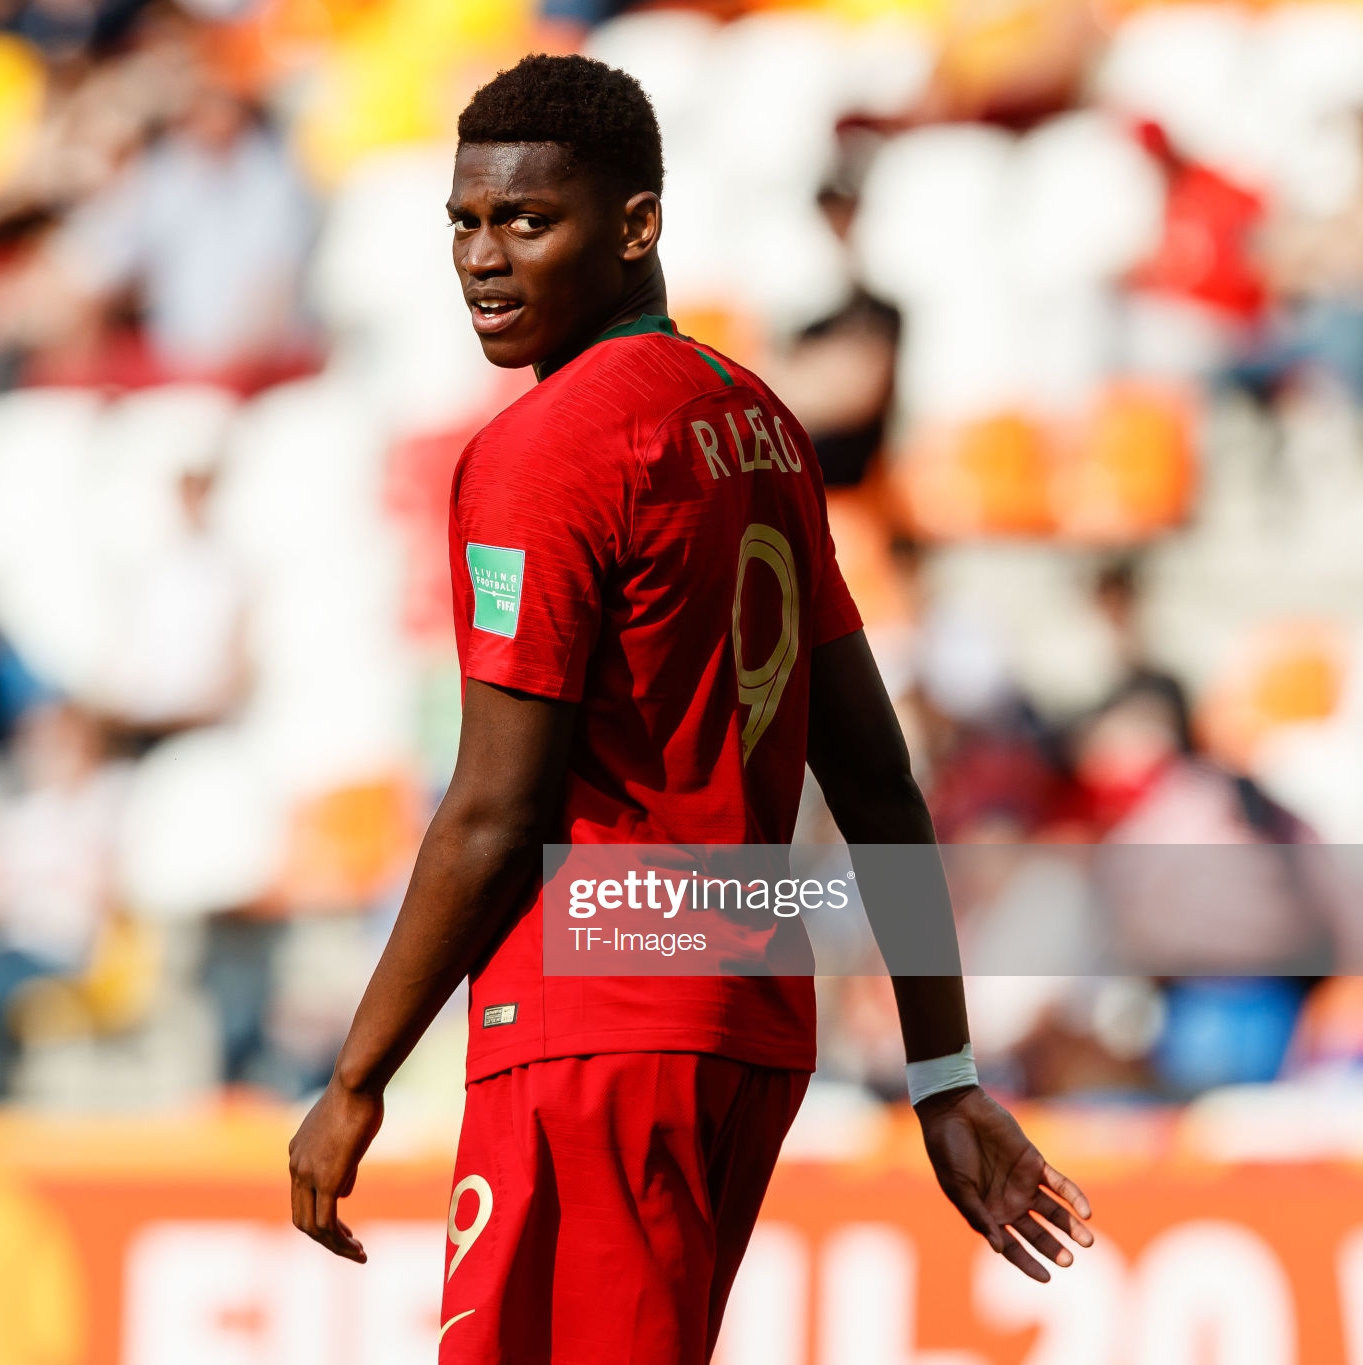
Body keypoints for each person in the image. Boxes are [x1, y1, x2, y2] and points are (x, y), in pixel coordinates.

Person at [286, 55, 1094, 1363]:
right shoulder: (759, 423)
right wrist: (942, 1073)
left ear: (637, 225)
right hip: (745, 1010)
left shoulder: (543, 451)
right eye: (465, 223)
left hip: (596, 1017)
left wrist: (355, 1076)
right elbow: (876, 776)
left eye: (526, 221)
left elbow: (494, 807)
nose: (483, 259)